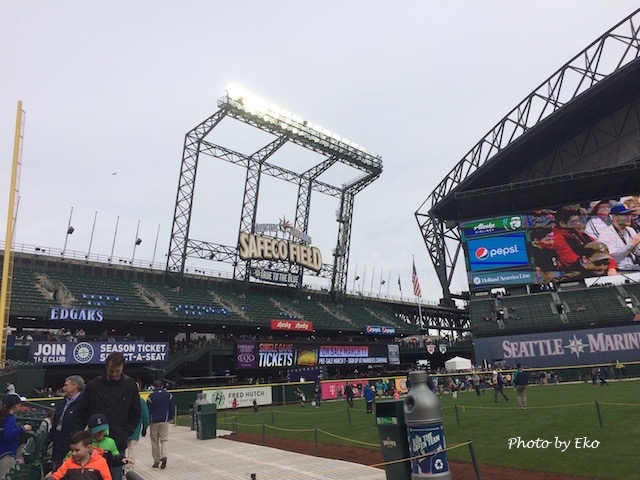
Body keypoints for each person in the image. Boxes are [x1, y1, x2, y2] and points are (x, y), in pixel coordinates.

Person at [72, 352, 140, 479]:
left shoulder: (130, 385)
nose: (114, 374)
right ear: (106, 367)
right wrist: (80, 437)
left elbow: (135, 413)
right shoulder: (93, 385)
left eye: (117, 371)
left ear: (123, 367)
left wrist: (125, 433)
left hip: (116, 443)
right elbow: (79, 412)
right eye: (111, 371)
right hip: (92, 444)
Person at [47, 375, 85, 472]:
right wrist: (48, 441)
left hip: (72, 449)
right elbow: (55, 424)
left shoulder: (83, 403)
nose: (63, 388)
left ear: (74, 386)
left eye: (66, 385)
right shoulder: (63, 403)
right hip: (58, 447)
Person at [45, 430, 112, 480]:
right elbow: (58, 475)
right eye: (72, 450)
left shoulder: (100, 462)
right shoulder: (69, 462)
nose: (73, 453)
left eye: (77, 450)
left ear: (88, 448)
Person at [596, 203, 640, 270]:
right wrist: (632, 244)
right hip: (620, 270)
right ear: (614, 217)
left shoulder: (630, 230)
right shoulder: (606, 234)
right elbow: (614, 259)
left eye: (629, 214)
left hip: (635, 266)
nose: (629, 217)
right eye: (624, 215)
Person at [87, 413, 130, 479]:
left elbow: (113, 458)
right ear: (90, 431)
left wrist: (121, 459)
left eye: (102, 430)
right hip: (88, 475)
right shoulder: (85, 442)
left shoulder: (110, 442)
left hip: (104, 474)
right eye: (97, 431)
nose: (100, 433)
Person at [0, 393, 32, 477]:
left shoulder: (4, 416)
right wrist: (23, 428)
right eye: (19, 404)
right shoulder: (9, 418)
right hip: (6, 454)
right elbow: (8, 434)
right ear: (15, 405)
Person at [146, 379, 175, 470]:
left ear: (153, 387)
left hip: (154, 421)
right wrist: (171, 417)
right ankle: (164, 455)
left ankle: (156, 461)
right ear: (162, 386)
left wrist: (148, 421)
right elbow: (172, 407)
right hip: (164, 420)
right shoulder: (168, 395)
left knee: (154, 442)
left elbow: (148, 410)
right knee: (164, 440)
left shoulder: (151, 396)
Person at [125, 384, 149, 476]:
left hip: (122, 430)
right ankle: (129, 469)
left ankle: (121, 466)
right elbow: (145, 416)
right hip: (134, 430)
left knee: (121, 449)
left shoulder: (123, 400)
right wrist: (145, 428)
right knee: (132, 449)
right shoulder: (141, 401)